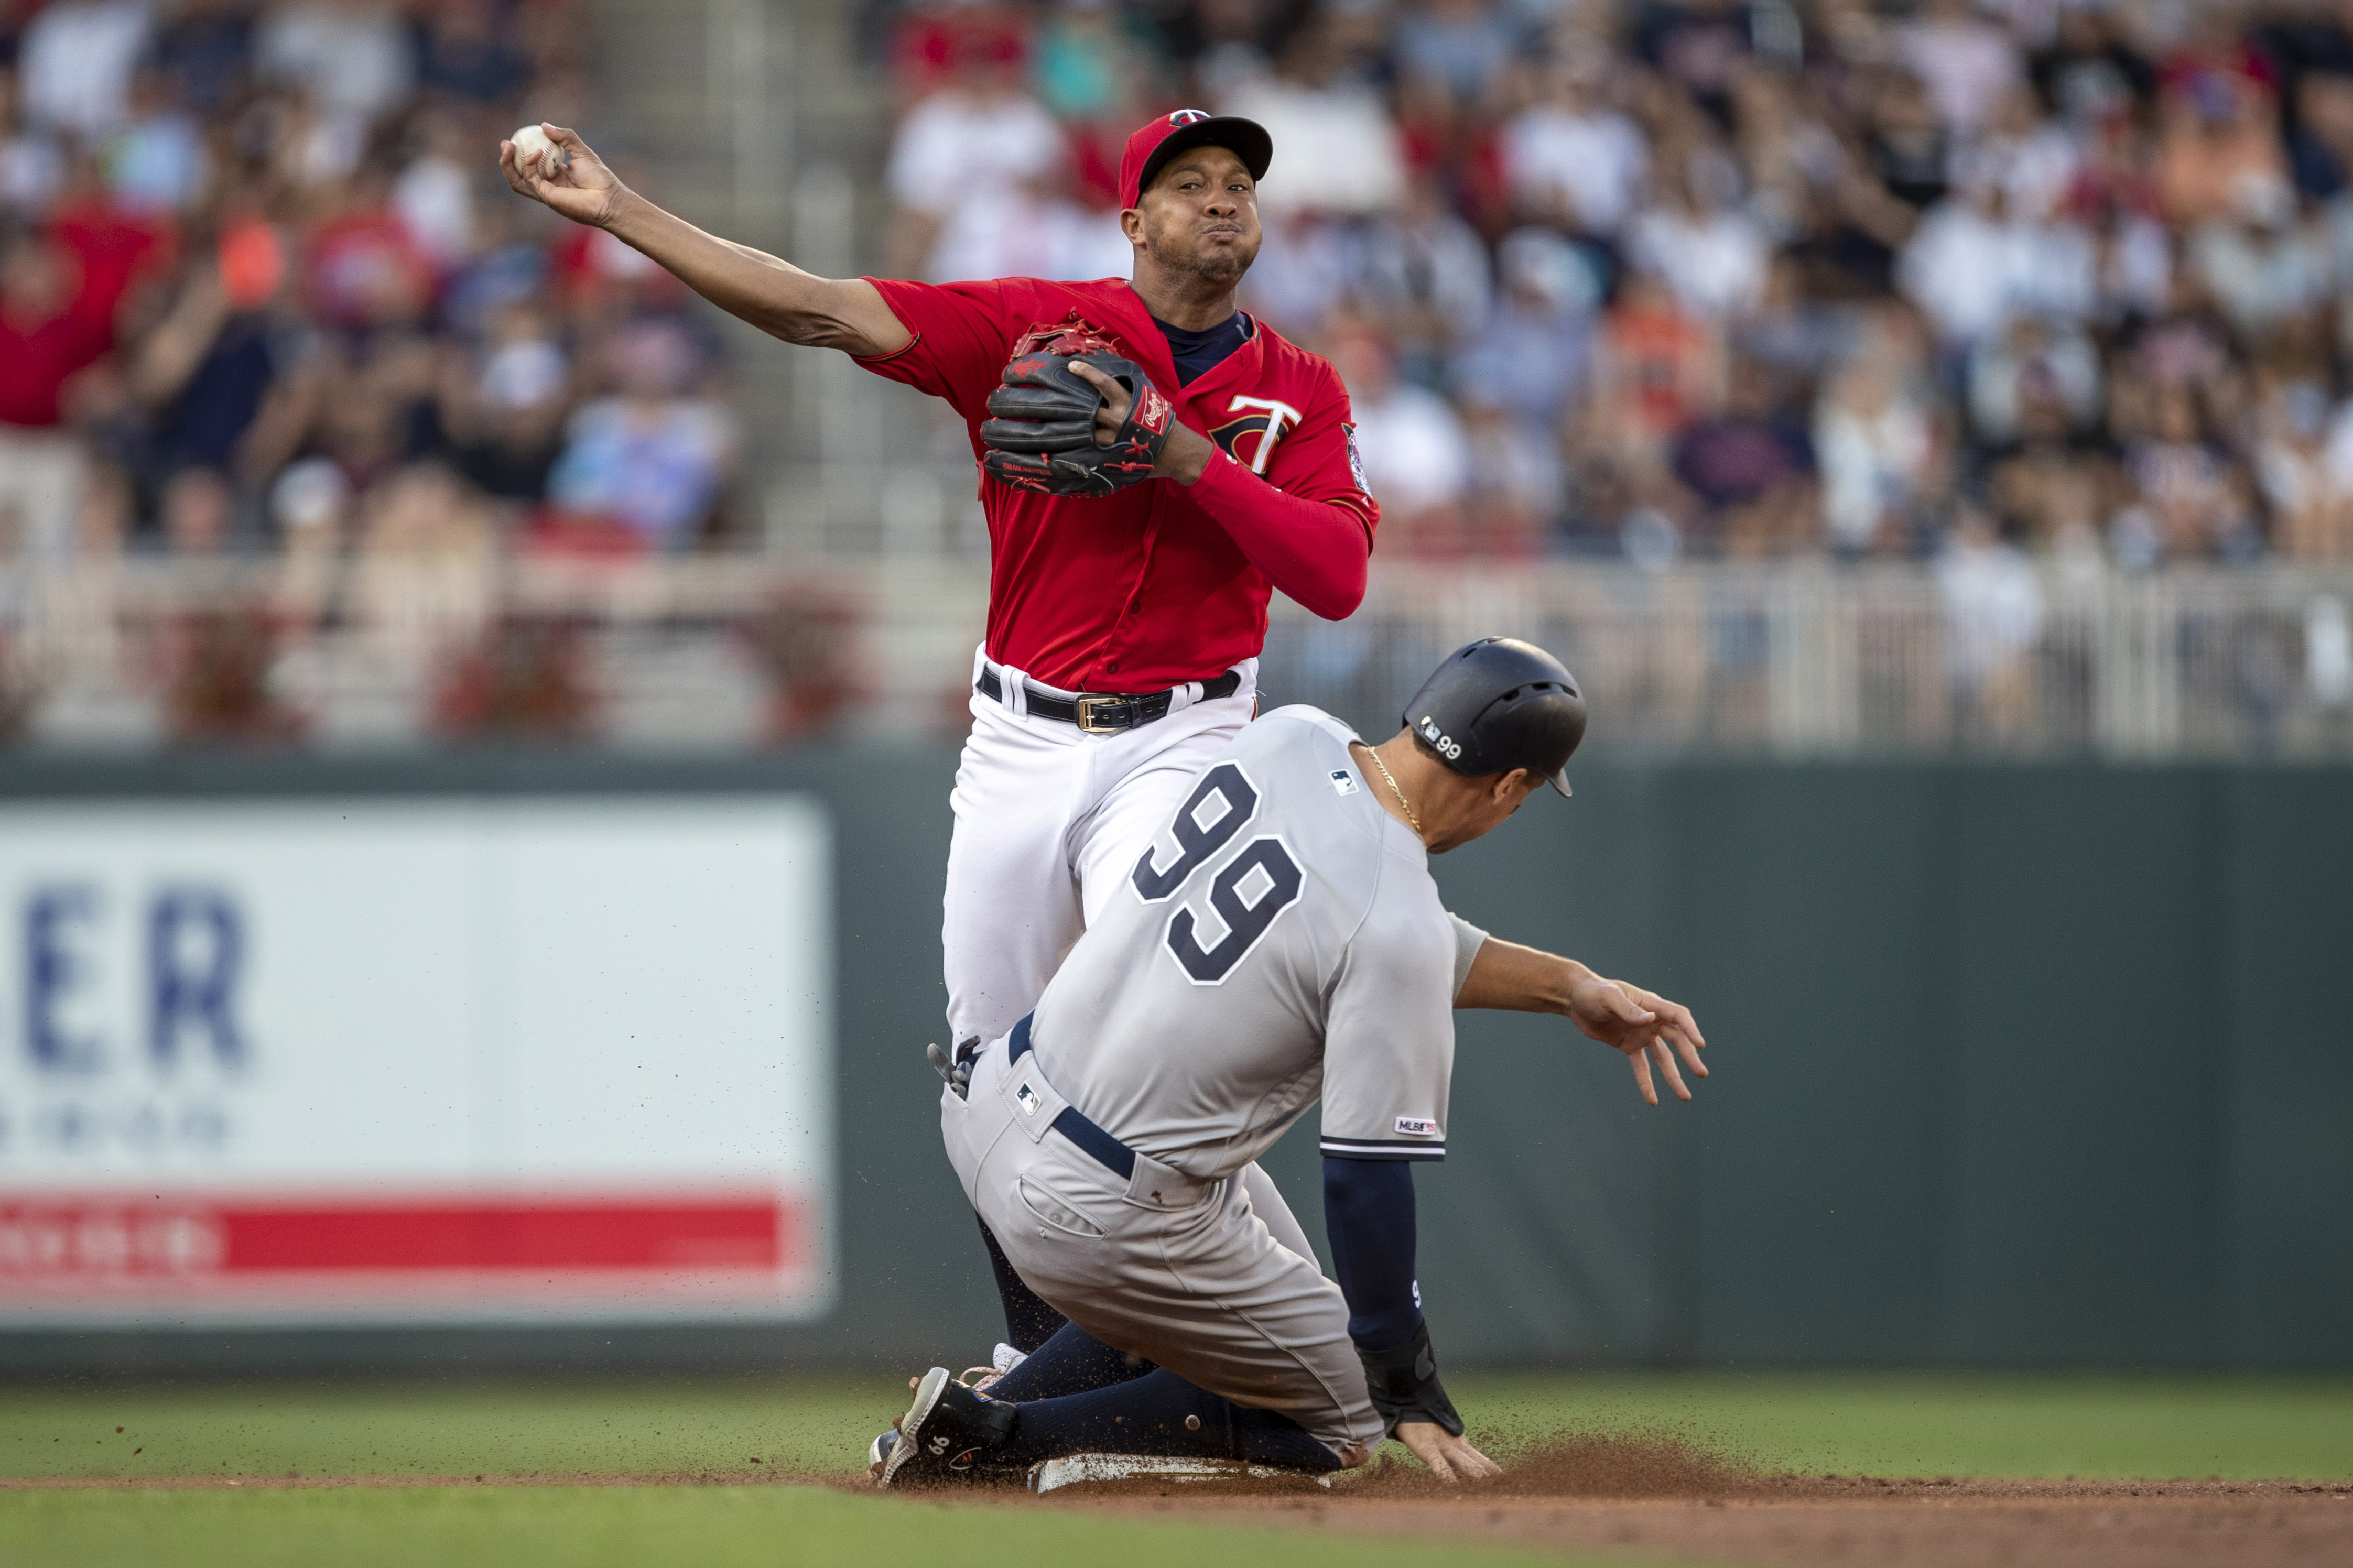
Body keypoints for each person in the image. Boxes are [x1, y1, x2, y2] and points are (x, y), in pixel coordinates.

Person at [498, 111, 1379, 1357]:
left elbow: (1337, 576)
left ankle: (1274, 1345)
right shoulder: (1034, 326)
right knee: (986, 1072)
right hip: (1019, 737)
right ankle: (1037, 1356)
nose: (1223, 199)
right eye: (1189, 184)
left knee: (1149, 1040)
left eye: (1239, 182)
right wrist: (624, 211)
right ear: (1132, 221)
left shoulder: (1299, 388)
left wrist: (1182, 454)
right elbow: (818, 307)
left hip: (1187, 740)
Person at [874, 638, 1709, 1486]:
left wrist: (1567, 987)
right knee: (1346, 1419)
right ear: (1505, 787)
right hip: (1095, 1212)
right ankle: (992, 1450)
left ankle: (977, 1413)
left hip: (992, 1103)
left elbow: (1356, 930)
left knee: (1238, 1313)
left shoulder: (1296, 739)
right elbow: (1364, 1178)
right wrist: (1404, 1386)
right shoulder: (1394, 924)